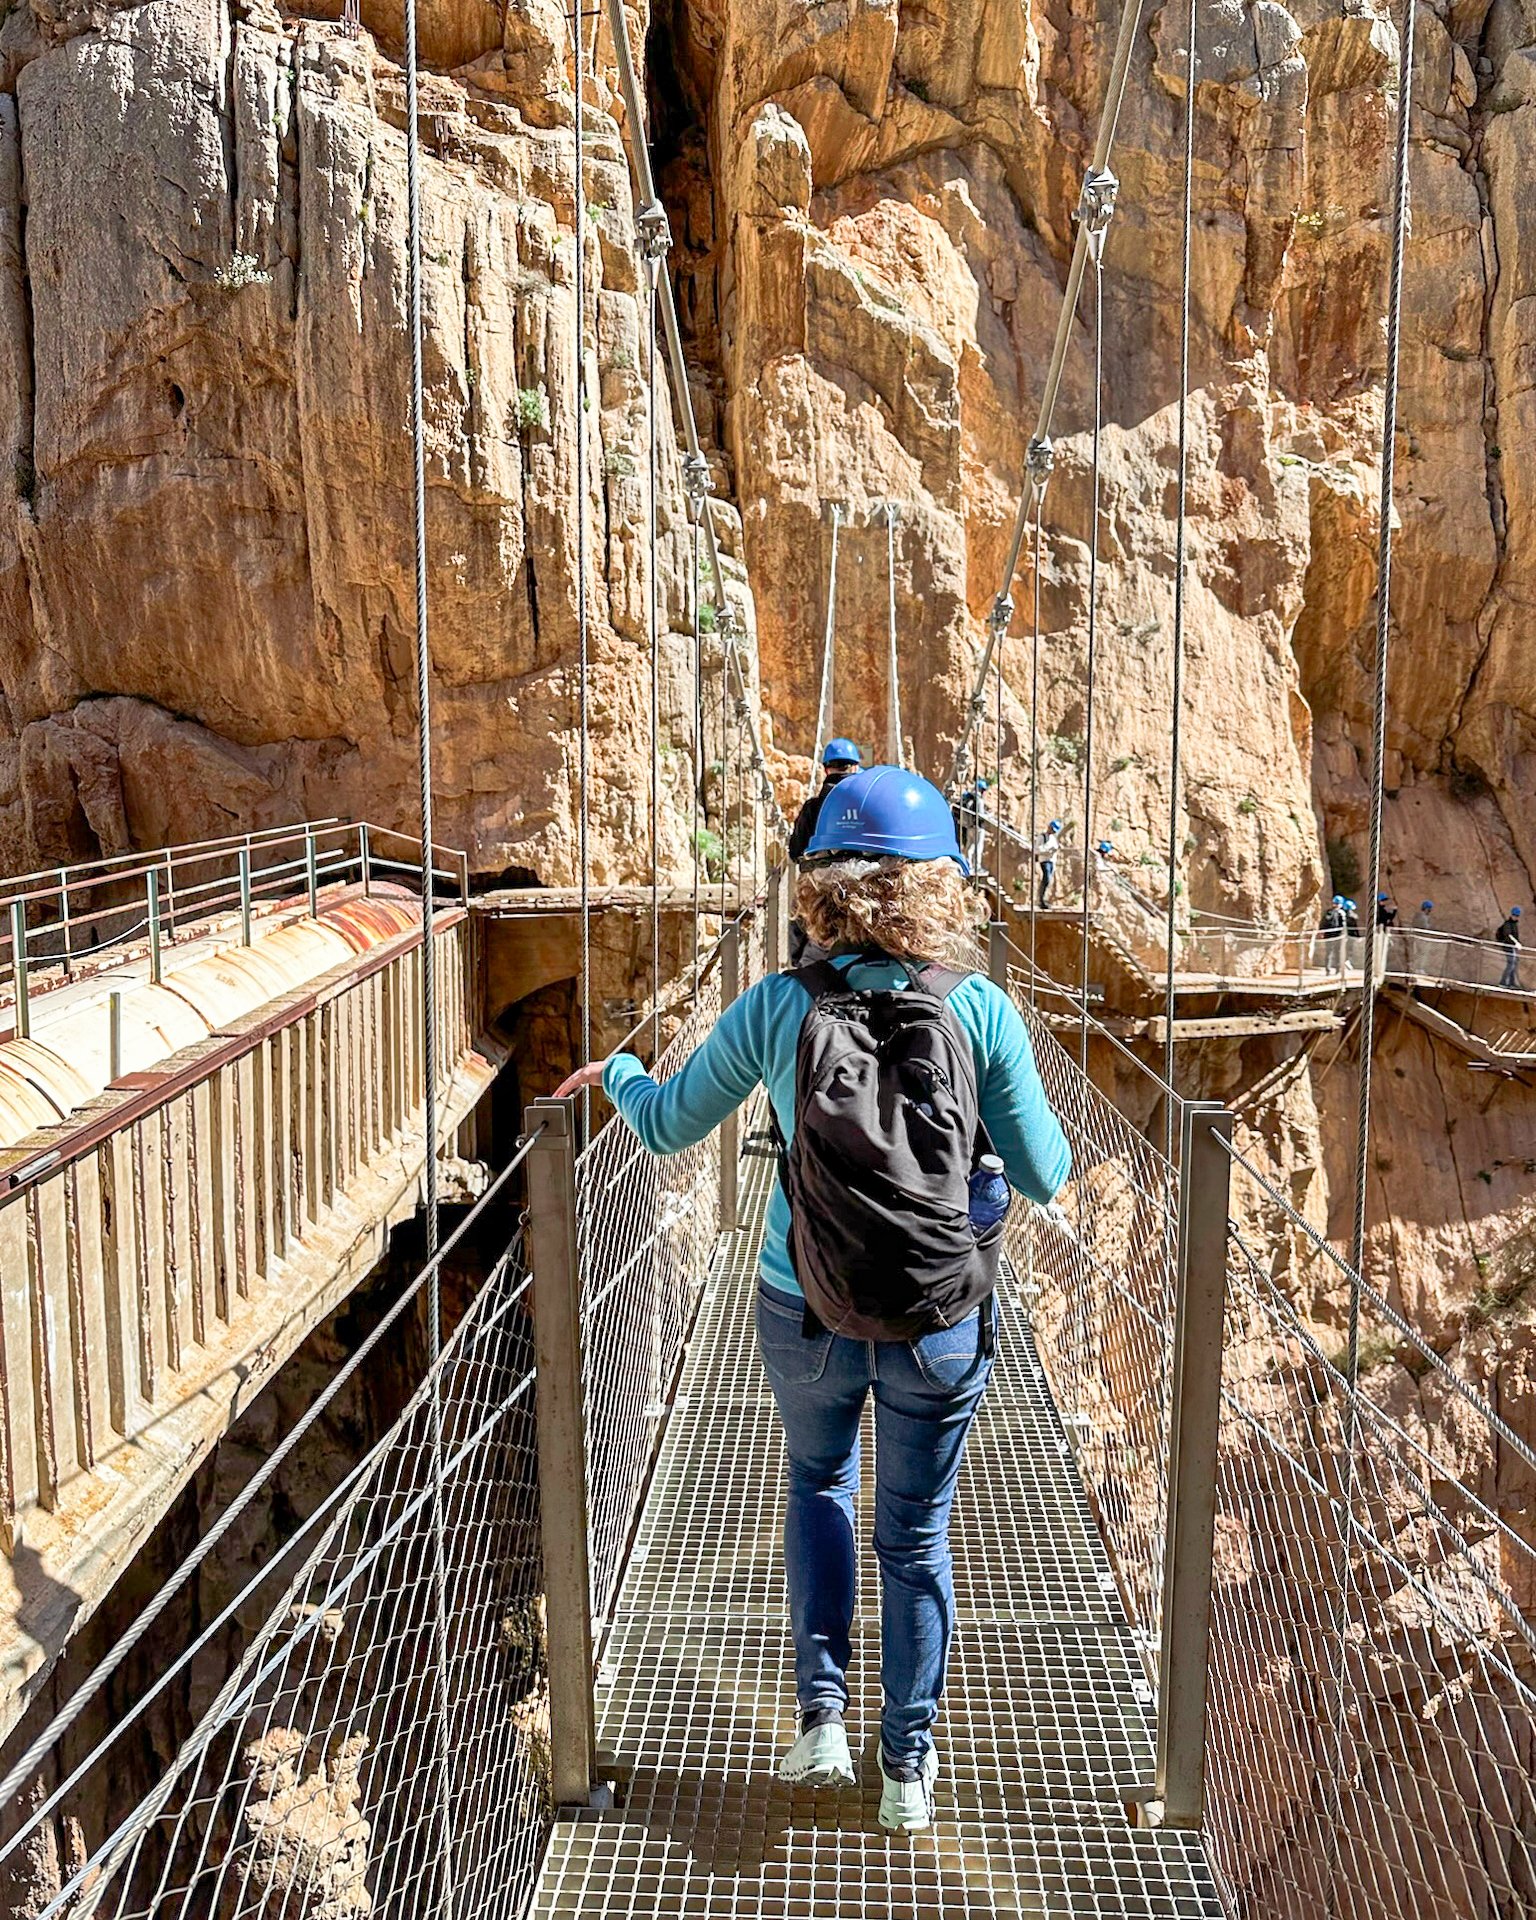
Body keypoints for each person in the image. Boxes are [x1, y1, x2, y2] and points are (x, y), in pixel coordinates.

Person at [555, 767, 1070, 1833]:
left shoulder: (778, 1006)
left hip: (804, 1306)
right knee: (916, 1537)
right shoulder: (978, 1008)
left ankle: (821, 1719)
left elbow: (662, 1127)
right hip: (938, 1321)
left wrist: (617, 1071)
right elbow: (1050, 1173)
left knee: (819, 1484)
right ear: (945, 887)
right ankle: (907, 1772)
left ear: (819, 888)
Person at [789, 739, 862, 961]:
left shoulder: (812, 807)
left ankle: (798, 965)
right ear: (855, 767)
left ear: (825, 769)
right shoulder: (865, 803)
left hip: (820, 890)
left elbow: (795, 852)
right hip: (859, 890)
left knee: (799, 913)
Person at [1036, 819, 1062, 909]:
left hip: (1052, 861)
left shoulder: (1053, 839)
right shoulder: (1042, 837)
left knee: (1048, 880)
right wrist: (1049, 850)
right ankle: (1041, 900)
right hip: (1044, 860)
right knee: (1046, 878)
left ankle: (1043, 899)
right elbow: (1037, 850)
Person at [1496, 905, 1523, 989]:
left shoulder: (1514, 924)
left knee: (1514, 963)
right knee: (1511, 963)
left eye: (1517, 916)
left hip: (1512, 946)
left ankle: (1511, 983)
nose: (1516, 917)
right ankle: (1503, 982)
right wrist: (1516, 943)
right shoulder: (1507, 924)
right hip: (1507, 945)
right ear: (1511, 915)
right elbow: (1508, 935)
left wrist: (1517, 943)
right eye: (1515, 915)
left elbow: (1514, 936)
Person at [1320, 894, 1346, 974]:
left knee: (1328, 952)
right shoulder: (1341, 913)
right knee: (1337, 952)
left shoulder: (1328, 912)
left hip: (1328, 935)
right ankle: (1337, 969)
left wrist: (1322, 932)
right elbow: (1343, 925)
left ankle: (1328, 970)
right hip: (1337, 936)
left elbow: (1322, 923)